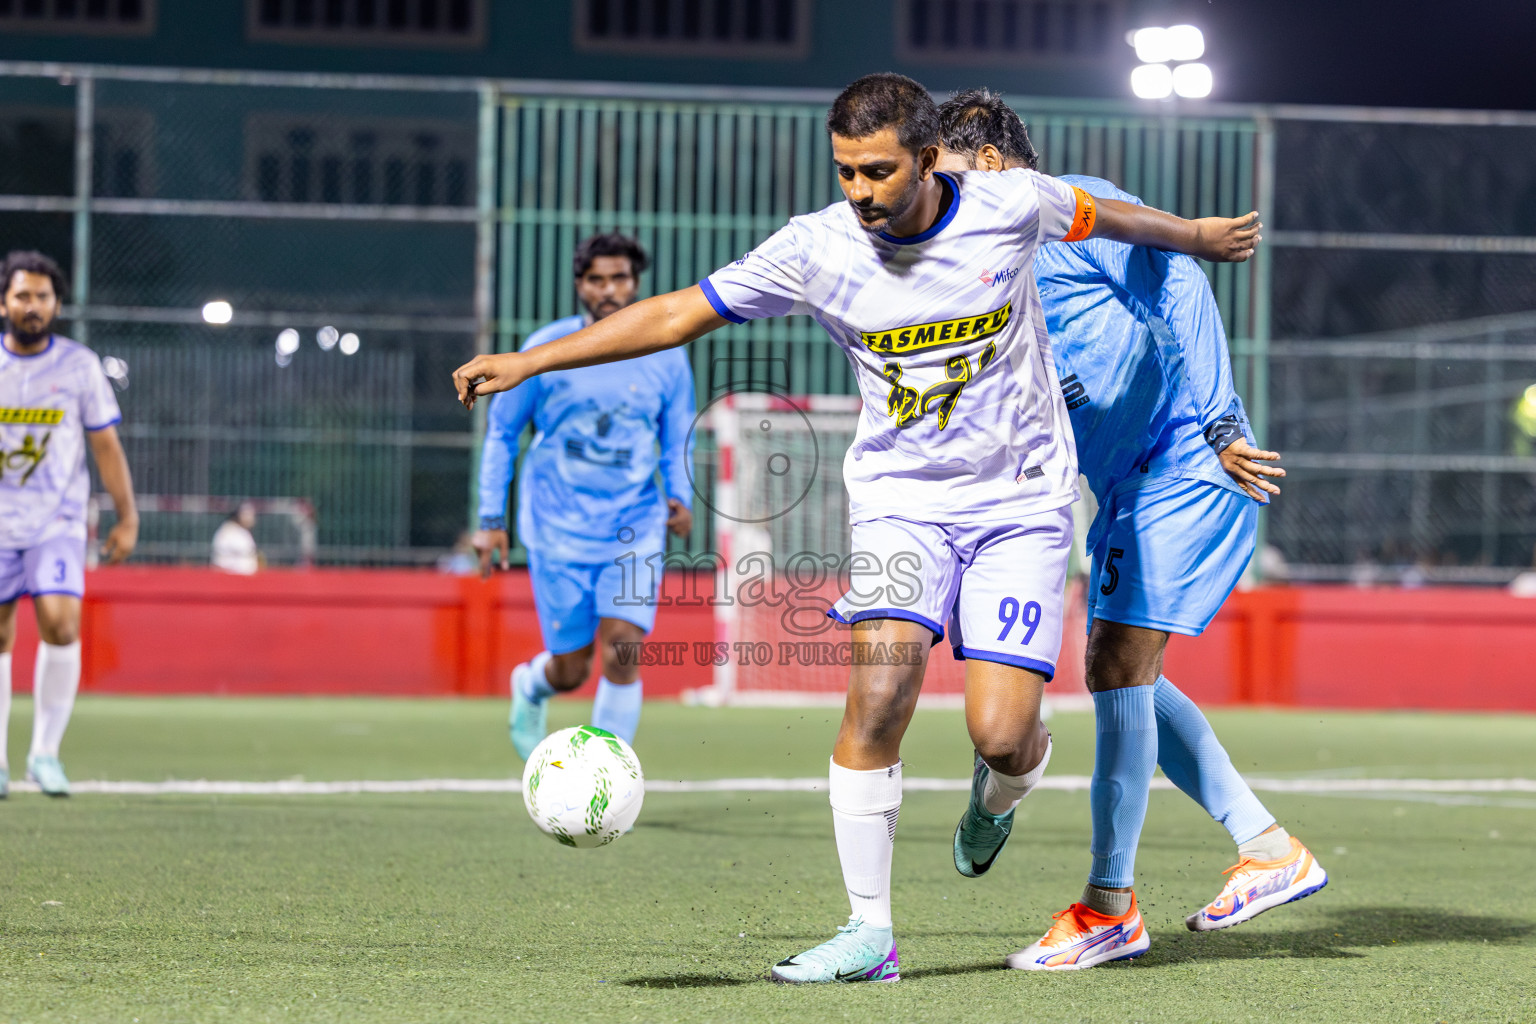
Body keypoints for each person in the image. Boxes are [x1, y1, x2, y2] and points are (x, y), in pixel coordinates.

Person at [454, 74, 1261, 983]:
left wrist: (1196, 237)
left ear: (926, 158)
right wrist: (531, 359)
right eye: (845, 173)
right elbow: (678, 311)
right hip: (899, 502)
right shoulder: (817, 247)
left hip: (1022, 506)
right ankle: (868, 933)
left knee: (1002, 735)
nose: (860, 193)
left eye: (878, 172)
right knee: (878, 696)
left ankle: (998, 793)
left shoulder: (1009, 205)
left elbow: (1116, 221)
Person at [934, 89, 1326, 970]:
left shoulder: (1077, 207)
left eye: (946, 176)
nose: (939, 197)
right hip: (1122, 487)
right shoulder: (980, 260)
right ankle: (1267, 848)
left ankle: (1110, 904)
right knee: (1127, 675)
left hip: (1187, 455)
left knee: (1115, 663)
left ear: (990, 162)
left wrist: (1223, 425)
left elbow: (1181, 272)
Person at [474, 233, 695, 757]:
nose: (609, 290)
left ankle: (604, 771)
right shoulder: (544, 351)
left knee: (623, 648)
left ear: (635, 283)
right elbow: (503, 433)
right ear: (580, 286)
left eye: (619, 278)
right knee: (572, 669)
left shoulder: (665, 357)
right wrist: (490, 518)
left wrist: (680, 495)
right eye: (596, 280)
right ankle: (532, 684)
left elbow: (676, 434)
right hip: (557, 526)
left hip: (633, 526)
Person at [0, 250, 138, 797]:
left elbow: (105, 444)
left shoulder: (79, 365)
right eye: (22, 296)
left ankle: (45, 754)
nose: (32, 306)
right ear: (3, 301)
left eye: (42, 297)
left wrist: (127, 516)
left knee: (60, 621)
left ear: (56, 304)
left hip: (57, 518)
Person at [211, 501, 260, 575]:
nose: (251, 518)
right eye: (247, 515)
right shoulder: (228, 531)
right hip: (231, 576)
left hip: (245, 578)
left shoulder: (242, 532)